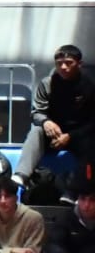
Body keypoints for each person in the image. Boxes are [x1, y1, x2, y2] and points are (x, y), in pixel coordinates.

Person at [14, 45, 95, 189]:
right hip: (53, 133)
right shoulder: (48, 83)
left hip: (80, 134)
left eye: (68, 63)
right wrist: (46, 122)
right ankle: (21, 175)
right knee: (36, 131)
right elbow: (36, 113)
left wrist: (70, 136)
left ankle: (80, 189)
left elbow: (92, 121)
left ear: (79, 64)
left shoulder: (90, 85)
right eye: (59, 63)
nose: (63, 67)